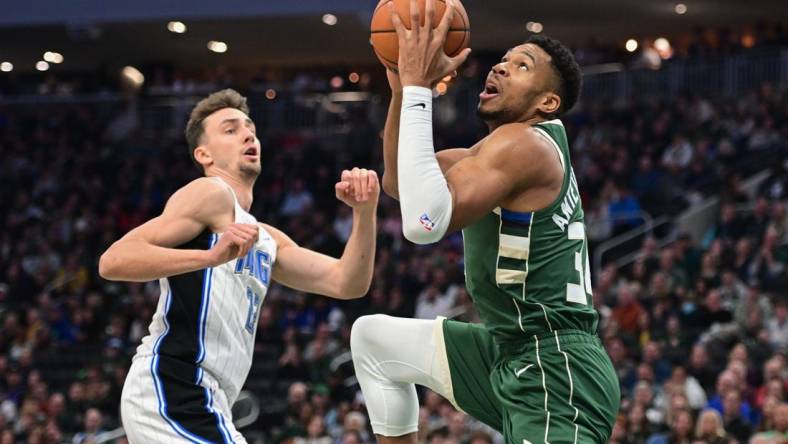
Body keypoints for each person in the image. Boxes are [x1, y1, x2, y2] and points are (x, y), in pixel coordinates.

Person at [350, 0, 619, 443]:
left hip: (557, 369)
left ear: (548, 101)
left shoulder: (528, 146)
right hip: (508, 348)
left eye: (522, 65)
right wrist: (401, 88)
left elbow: (422, 221)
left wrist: (420, 88)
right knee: (374, 341)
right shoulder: (493, 151)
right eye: (502, 60)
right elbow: (400, 181)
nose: (500, 67)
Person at [99, 88, 379, 443]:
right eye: (230, 130)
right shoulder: (210, 193)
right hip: (174, 384)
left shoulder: (263, 236)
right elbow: (113, 260)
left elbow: (347, 282)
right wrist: (209, 257)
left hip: (209, 396)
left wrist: (364, 213)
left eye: (250, 127)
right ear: (204, 154)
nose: (248, 134)